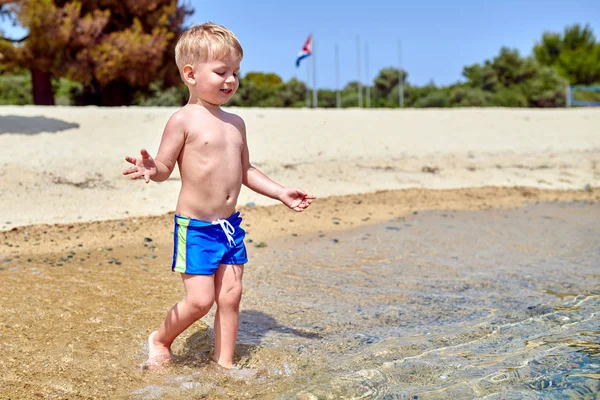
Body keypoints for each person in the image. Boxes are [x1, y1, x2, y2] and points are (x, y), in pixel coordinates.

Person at [122, 22, 316, 370]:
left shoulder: (236, 122)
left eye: (236, 72)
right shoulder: (183, 120)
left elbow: (246, 171)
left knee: (231, 296)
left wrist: (280, 192)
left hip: (228, 226)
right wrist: (152, 168)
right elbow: (166, 167)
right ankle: (161, 338)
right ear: (191, 74)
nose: (231, 80)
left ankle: (224, 365)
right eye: (222, 71)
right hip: (195, 227)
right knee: (200, 301)